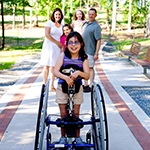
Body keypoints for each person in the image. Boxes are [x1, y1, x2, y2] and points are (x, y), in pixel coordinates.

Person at [54, 31, 90, 144]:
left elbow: (87, 75)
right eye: (70, 42)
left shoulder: (83, 58)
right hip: (62, 86)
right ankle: (63, 137)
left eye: (76, 42)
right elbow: (55, 71)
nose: (73, 45)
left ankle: (78, 138)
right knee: (63, 114)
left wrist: (79, 73)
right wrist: (66, 78)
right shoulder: (63, 56)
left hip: (77, 87)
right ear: (66, 44)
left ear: (81, 44)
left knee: (76, 113)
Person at [40, 8, 64, 92]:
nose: (57, 16)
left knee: (54, 66)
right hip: (49, 46)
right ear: (53, 15)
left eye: (59, 14)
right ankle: (45, 85)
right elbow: (47, 35)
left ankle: (52, 85)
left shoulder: (62, 24)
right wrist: (57, 42)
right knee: (46, 66)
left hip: (57, 48)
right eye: (56, 14)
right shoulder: (49, 23)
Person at [82, 8, 102, 92]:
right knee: (84, 68)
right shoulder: (85, 24)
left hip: (90, 51)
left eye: (92, 14)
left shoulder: (96, 26)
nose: (90, 16)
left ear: (95, 15)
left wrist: (96, 53)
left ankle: (91, 85)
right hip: (83, 50)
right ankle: (85, 84)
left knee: (90, 68)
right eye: (89, 14)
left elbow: (99, 40)